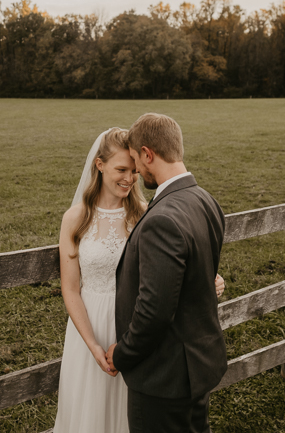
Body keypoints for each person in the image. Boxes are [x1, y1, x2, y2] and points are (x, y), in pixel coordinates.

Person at [53, 127, 225, 433]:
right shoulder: (74, 218)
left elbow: (168, 277)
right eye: (121, 170)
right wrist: (92, 345)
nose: (129, 179)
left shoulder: (148, 215)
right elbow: (70, 289)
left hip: (133, 331)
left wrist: (207, 282)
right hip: (89, 327)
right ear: (100, 165)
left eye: (134, 170)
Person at [106, 113, 227, 433]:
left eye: (135, 160)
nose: (135, 170)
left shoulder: (163, 219)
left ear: (148, 154)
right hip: (197, 367)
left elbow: (155, 310)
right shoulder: (206, 201)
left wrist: (123, 353)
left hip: (165, 378)